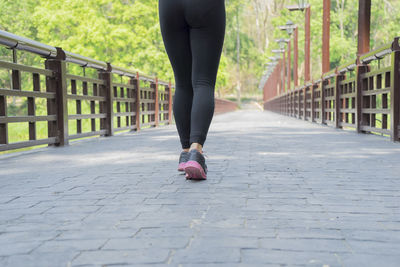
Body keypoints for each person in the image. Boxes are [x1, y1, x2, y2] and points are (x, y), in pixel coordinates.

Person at [159, 0, 226, 180]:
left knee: (182, 82)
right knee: (203, 81)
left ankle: (185, 153)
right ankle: (196, 151)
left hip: (169, 6)